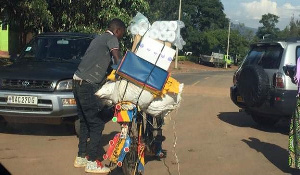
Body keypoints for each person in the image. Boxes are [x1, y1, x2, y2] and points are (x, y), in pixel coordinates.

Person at [72, 18, 125, 174]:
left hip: (76, 81)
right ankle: (92, 162)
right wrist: (125, 71)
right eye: (122, 33)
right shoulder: (112, 38)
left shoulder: (98, 39)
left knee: (84, 121)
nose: (120, 37)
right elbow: (117, 59)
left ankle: (81, 157)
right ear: (117, 30)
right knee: (96, 124)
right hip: (88, 84)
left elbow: (103, 62)